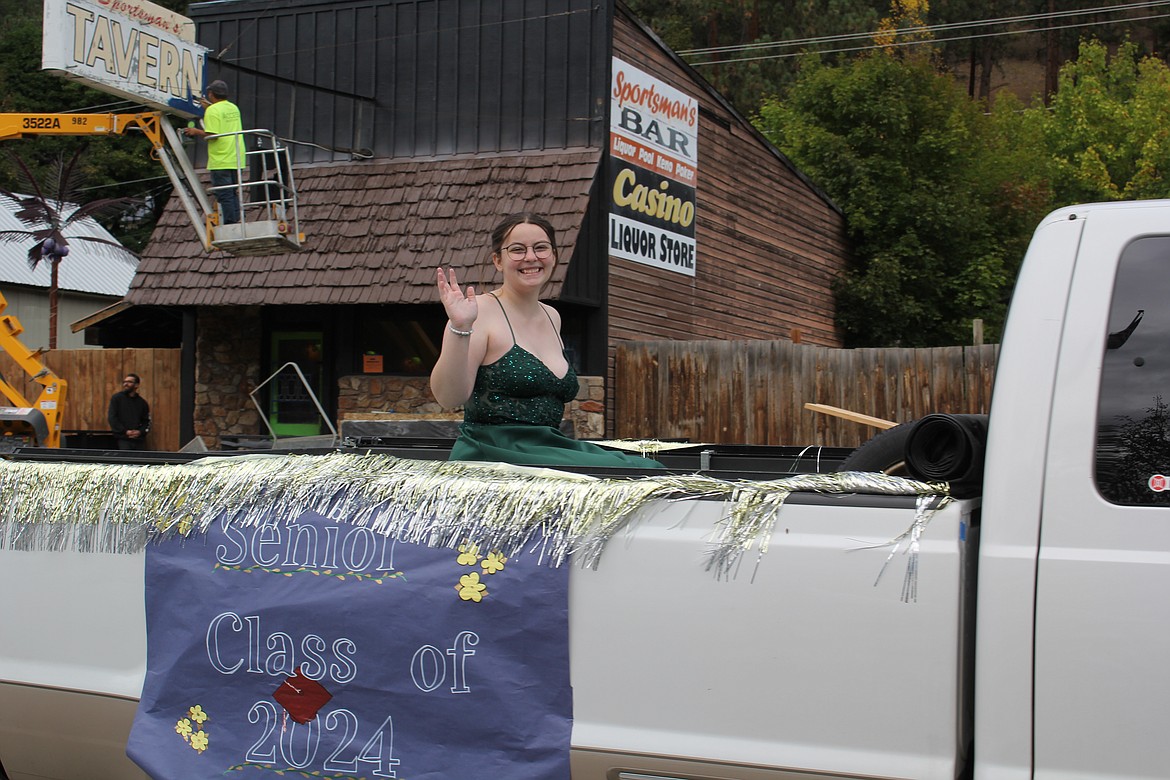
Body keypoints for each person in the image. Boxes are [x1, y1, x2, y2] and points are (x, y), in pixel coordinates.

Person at [431, 213, 661, 468]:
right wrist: (460, 326)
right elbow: (449, 397)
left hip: (550, 447)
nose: (531, 257)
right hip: (494, 453)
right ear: (498, 260)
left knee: (649, 466)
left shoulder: (553, 316)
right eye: (517, 250)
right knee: (641, 470)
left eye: (540, 248)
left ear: (553, 255)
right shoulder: (478, 312)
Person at [182, 80, 244, 224]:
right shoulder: (233, 107)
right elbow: (221, 116)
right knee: (232, 192)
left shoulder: (213, 110)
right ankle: (236, 220)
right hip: (236, 157)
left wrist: (195, 131)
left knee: (224, 194)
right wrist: (209, 108)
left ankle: (230, 223)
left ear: (211, 94)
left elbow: (212, 135)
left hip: (221, 158)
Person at [108, 373, 151, 451]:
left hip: (138, 440)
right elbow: (112, 418)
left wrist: (139, 432)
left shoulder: (142, 403)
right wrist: (125, 431)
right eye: (125, 382)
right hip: (122, 439)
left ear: (136, 385)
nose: (126, 384)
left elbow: (146, 421)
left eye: (129, 382)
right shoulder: (117, 399)